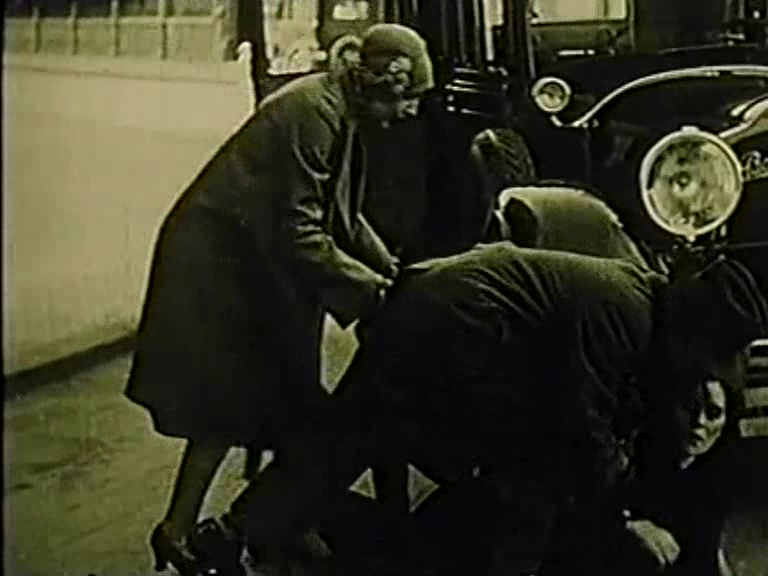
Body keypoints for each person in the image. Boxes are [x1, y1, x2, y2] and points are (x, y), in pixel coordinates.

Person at [224, 246, 766, 576]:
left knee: (350, 434)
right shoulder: (624, 315)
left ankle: (250, 528)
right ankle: (259, 534)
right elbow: (583, 424)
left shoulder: (640, 301)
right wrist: (627, 520)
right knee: (532, 470)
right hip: (455, 327)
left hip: (443, 310)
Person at [123, 23, 435, 576]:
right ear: (378, 83)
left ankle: (248, 523)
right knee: (234, 401)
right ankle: (230, 526)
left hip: (254, 259)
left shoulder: (338, 108)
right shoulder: (314, 112)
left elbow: (344, 215)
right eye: (407, 97)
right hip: (220, 265)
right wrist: (376, 292)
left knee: (274, 400)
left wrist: (395, 271)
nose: (410, 111)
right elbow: (301, 232)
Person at [594, 352, 748, 576]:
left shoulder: (714, 475)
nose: (699, 422)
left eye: (713, 413)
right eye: (689, 407)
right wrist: (630, 527)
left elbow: (710, 551)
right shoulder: (633, 462)